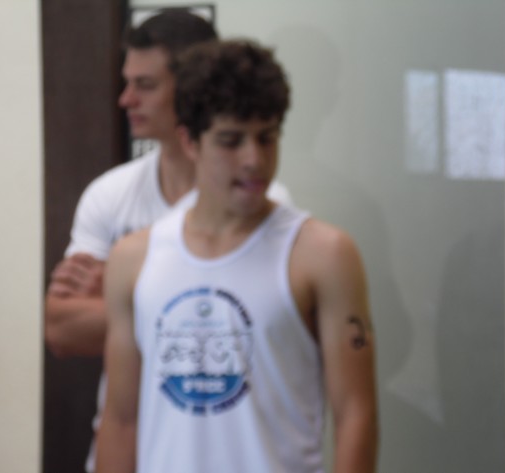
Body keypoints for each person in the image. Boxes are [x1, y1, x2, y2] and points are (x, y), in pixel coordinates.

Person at [96, 39, 378, 473]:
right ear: (189, 141)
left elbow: (356, 413)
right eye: (230, 141)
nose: (254, 160)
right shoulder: (134, 259)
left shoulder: (323, 255)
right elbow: (120, 419)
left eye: (267, 138)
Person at [43, 10, 290, 473]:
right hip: (129, 449)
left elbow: (249, 326)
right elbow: (61, 329)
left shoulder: (263, 202)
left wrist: (124, 297)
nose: (126, 99)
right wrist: (194, 308)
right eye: (127, 83)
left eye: (146, 85)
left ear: (192, 88)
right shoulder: (110, 194)